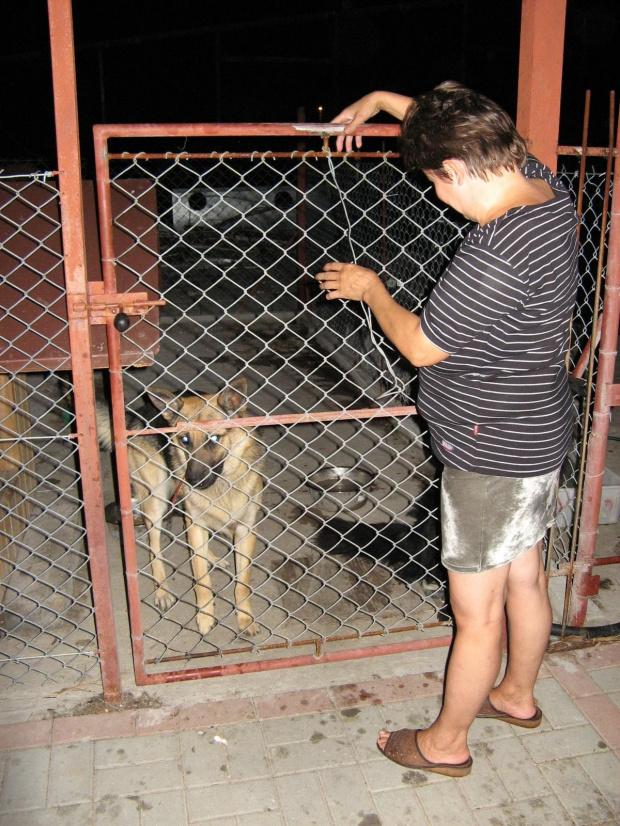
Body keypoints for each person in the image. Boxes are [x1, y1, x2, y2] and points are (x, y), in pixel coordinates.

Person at [316, 82, 579, 777]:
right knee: (524, 574)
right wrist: (378, 100)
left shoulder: (497, 250)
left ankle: (445, 744)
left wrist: (372, 288)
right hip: (539, 430)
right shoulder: (548, 193)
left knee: (477, 609)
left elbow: (424, 347)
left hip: (491, 453)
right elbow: (465, 124)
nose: (439, 197)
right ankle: (517, 696)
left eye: (438, 182)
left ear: (458, 169)